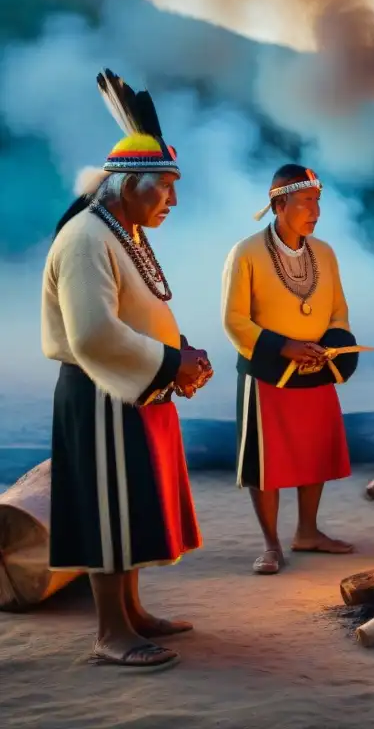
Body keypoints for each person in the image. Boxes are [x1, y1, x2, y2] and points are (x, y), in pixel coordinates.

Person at [42, 69, 210, 669]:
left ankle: (134, 613)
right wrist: (170, 362)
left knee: (132, 505)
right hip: (102, 396)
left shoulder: (123, 229)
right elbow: (92, 334)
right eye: (164, 187)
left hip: (135, 391)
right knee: (110, 514)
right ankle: (111, 632)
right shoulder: (88, 237)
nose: (173, 201)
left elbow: (137, 310)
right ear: (127, 184)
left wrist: (181, 355)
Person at [222, 164, 360, 575]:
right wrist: (285, 347)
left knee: (313, 451)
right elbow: (235, 321)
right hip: (269, 371)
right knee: (267, 462)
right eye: (306, 202)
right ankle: (271, 544)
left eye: (318, 202)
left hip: (316, 365)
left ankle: (308, 532)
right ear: (280, 204)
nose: (315, 211)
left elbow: (338, 310)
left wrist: (330, 346)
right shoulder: (245, 252)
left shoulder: (325, 252)